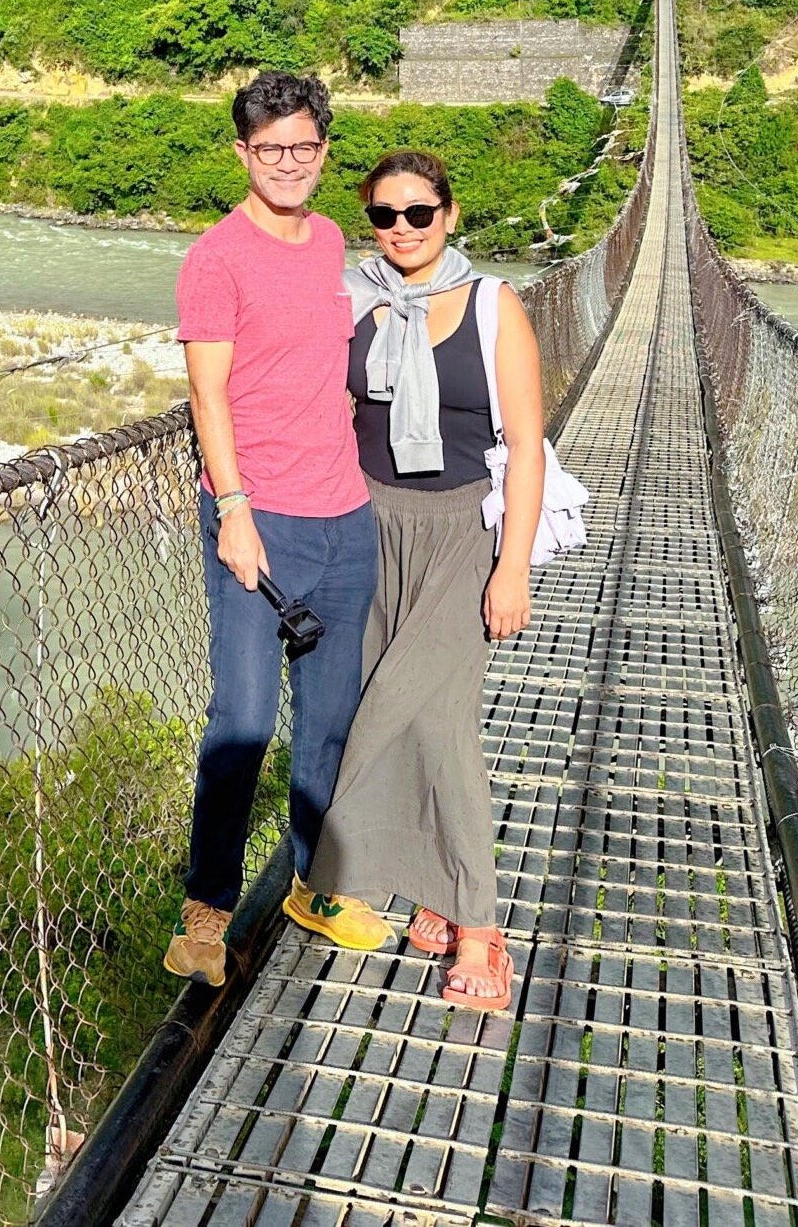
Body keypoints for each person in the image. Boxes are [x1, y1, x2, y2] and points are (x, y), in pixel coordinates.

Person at [299, 148, 545, 1012]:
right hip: (369, 525)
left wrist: (511, 566)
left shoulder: (492, 306)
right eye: (384, 216)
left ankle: (481, 923)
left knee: (436, 721)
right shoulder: (354, 301)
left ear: (449, 214)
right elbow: (311, 401)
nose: (401, 230)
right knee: (385, 707)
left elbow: (524, 446)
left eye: (419, 214)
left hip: (462, 534)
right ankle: (433, 892)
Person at [166, 71, 384, 988]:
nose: (288, 164)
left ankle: (312, 882)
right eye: (269, 150)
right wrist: (232, 510)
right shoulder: (214, 258)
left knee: (330, 721)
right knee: (244, 722)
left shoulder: (331, 238)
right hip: (260, 525)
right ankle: (205, 915)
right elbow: (207, 392)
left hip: (347, 515)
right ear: (243, 154)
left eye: (303, 148)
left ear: (323, 151)